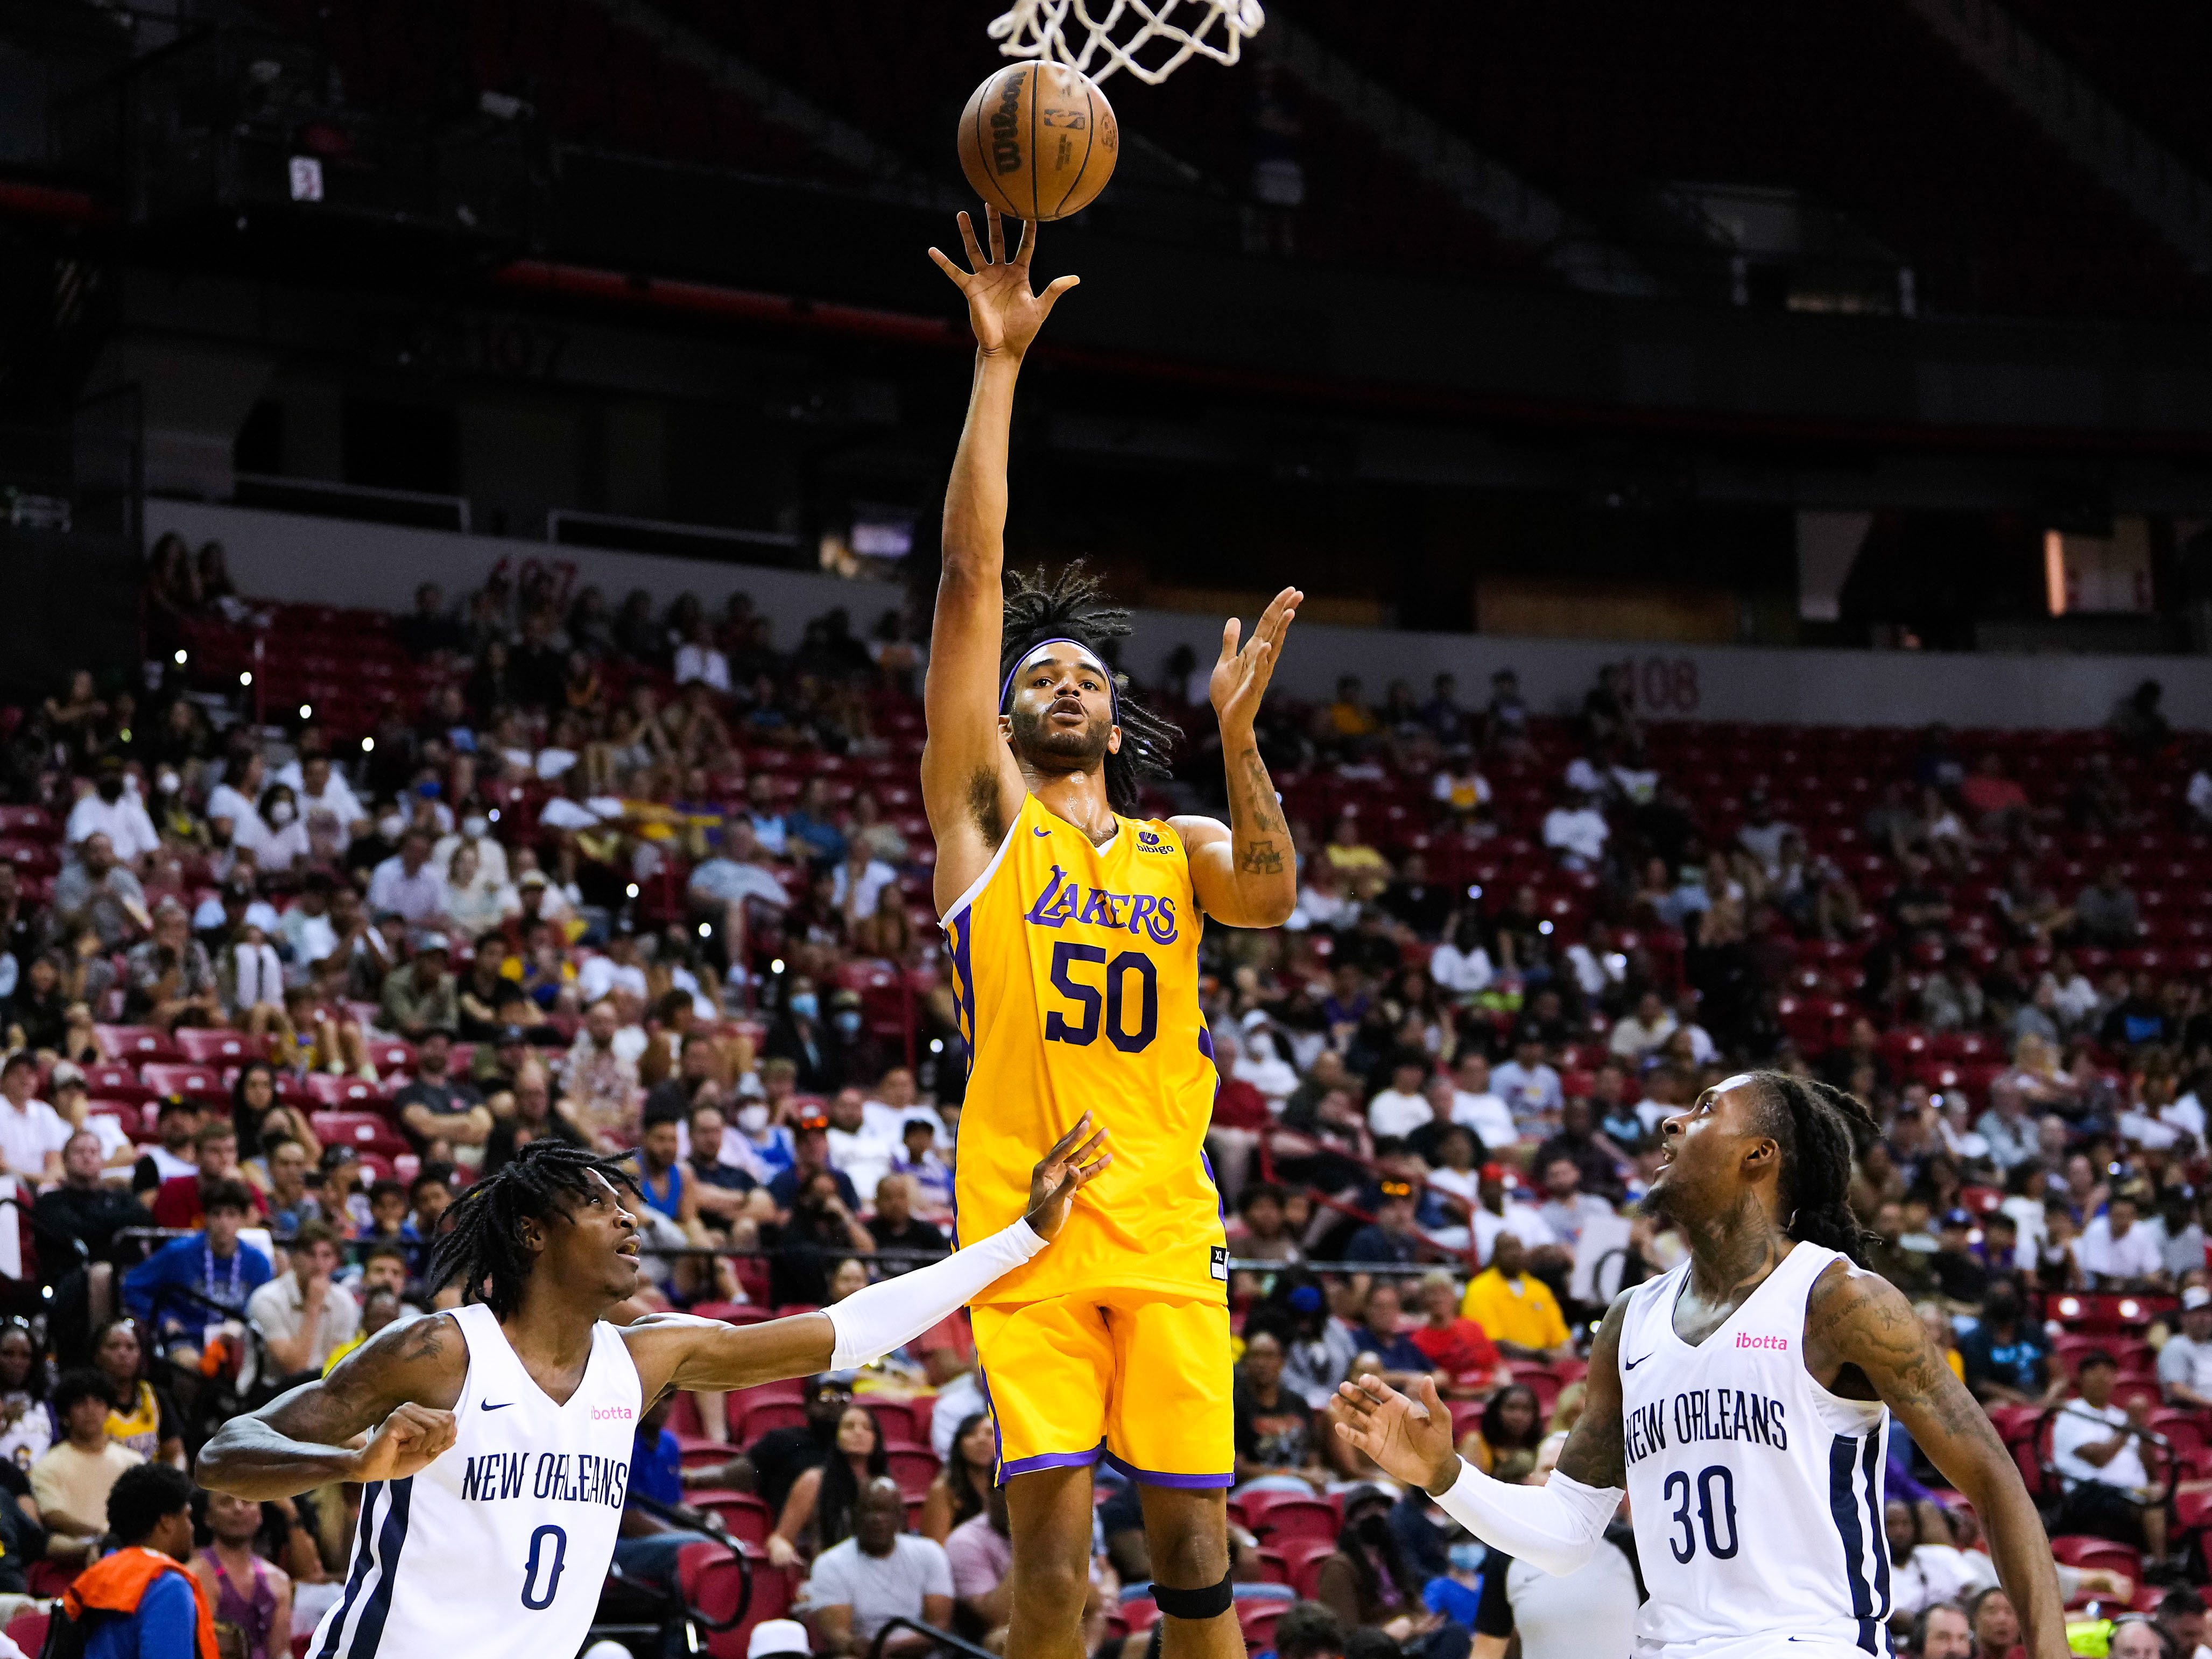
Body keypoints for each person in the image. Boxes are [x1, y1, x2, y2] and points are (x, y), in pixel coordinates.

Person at [923, 203, 1304, 1659]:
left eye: (1088, 671)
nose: (1067, 681)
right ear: (1011, 716)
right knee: (1053, 1554)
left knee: (1197, 1545)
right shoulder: (981, 821)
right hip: (1023, 1225)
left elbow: (1268, 893)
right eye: (1043, 672)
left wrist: (1236, 736)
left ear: (1113, 714)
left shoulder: (1174, 844)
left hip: (1165, 1220)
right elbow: (968, 585)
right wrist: (999, 365)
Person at [195, 1121, 1109, 1659]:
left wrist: (1021, 1240)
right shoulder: (438, 1350)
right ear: (534, 1231)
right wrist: (351, 1458)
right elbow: (222, 1455)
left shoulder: (647, 1357)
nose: (631, 1219)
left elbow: (848, 1331)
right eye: (601, 1203)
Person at [1327, 1071, 2066, 1659]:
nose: (1671, 1121)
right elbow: (1565, 1532)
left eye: (1704, 1109)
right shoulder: (1630, 1318)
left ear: (1758, 1156)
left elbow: (1993, 1480)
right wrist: (1447, 1476)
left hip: (1806, 1644)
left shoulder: (1837, 1299)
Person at [1469, 1432, 1639, 1659]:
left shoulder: (1631, 1547)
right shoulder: (1506, 1554)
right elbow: (1487, 1650)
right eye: (1549, 1469)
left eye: (1570, 1471)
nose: (1558, 1481)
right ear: (1530, 1481)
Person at [48, 1462, 213, 1659]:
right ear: (167, 1522)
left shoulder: (98, 1573)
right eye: (187, 1517)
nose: (191, 1528)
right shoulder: (169, 1586)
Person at [122, 1181, 273, 1365]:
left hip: (236, 1341)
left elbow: (264, 1306)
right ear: (206, 1218)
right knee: (190, 1367)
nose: (224, 1223)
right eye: (217, 1215)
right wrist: (164, 1319)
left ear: (243, 1219)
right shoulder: (178, 1253)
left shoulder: (258, 1263)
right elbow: (133, 1287)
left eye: (232, 1215)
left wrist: (240, 1325)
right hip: (186, 1336)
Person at [803, 1474, 955, 1657]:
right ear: (853, 1516)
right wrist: (855, 1646)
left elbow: (939, 1626)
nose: (877, 1519)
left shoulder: (930, 1553)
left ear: (901, 1518)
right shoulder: (830, 1563)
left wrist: (887, 1647)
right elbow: (838, 1633)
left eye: (886, 1512)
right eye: (869, 1511)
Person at [2051, 1350, 2166, 1564]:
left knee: (2166, 1491)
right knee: (2152, 1499)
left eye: (2108, 1372)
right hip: (2089, 1492)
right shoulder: (2071, 1413)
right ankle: (2162, 1565)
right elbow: (2098, 1458)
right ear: (2082, 1378)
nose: (2102, 1378)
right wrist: (2130, 1426)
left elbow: (2151, 1471)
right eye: (2094, 1372)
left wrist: (2143, 1432)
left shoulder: (2120, 1416)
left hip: (2131, 1490)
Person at [33, 1369, 144, 1567]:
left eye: (98, 1402)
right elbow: (52, 1515)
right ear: (65, 1415)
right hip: (70, 1560)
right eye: (80, 1403)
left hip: (129, 1558)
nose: (90, 1409)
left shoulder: (133, 1463)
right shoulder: (47, 1465)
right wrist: (102, 1536)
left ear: (109, 1410)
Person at [245, 1221, 361, 1383]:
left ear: (336, 1261)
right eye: (310, 1254)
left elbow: (340, 1365)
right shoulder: (267, 1299)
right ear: (294, 1258)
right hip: (273, 1391)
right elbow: (294, 1369)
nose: (319, 1264)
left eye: (326, 1255)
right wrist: (313, 1307)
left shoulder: (344, 1301)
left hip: (323, 1389)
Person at [191, 1488, 294, 1659]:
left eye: (247, 1501)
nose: (238, 1508)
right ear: (208, 1517)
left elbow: (281, 1652)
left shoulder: (279, 1580)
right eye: (225, 1502)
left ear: (260, 1514)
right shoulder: (196, 1575)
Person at [1458, 1233, 1572, 1363]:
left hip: (1546, 1360)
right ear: (1496, 1255)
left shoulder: (1539, 1290)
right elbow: (1491, 1342)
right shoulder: (1479, 1289)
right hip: (1506, 1362)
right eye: (1507, 1249)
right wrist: (1538, 1355)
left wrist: (1564, 1354)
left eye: (1518, 1248)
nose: (1514, 1254)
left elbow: (1562, 1337)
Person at [920, 1411, 995, 1544]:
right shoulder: (943, 1489)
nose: (982, 1440)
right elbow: (936, 1547)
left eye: (990, 1434)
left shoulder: (1010, 1485)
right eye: (971, 1434)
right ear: (959, 1444)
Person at [2157, 1286, 2212, 1410]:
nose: (2204, 1319)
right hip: (2189, 1415)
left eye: (2207, 1313)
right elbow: (2177, 1390)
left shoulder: (2210, 1347)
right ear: (2183, 1318)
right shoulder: (2176, 1346)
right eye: (2197, 1313)